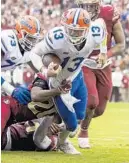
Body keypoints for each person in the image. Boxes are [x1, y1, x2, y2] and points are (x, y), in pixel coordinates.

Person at [30, 8, 108, 154]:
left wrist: (103, 52)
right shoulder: (57, 37)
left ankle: (59, 135)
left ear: (87, 29)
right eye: (70, 29)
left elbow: (102, 25)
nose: (73, 33)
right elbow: (34, 53)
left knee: (80, 117)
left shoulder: (95, 32)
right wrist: (45, 70)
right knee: (71, 126)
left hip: (77, 76)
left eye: (78, 30)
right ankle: (62, 143)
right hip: (60, 84)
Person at [75, 0, 125, 148]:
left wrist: (107, 54)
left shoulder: (109, 14)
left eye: (91, 5)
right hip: (84, 64)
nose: (88, 10)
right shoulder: (75, 16)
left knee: (99, 110)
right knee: (91, 101)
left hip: (104, 65)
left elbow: (121, 44)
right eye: (84, 6)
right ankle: (81, 130)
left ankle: (72, 121)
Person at [1, 15, 42, 105]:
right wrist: (11, 90)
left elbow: (39, 69)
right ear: (20, 32)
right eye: (30, 38)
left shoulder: (27, 51)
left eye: (34, 39)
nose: (32, 43)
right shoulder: (6, 39)